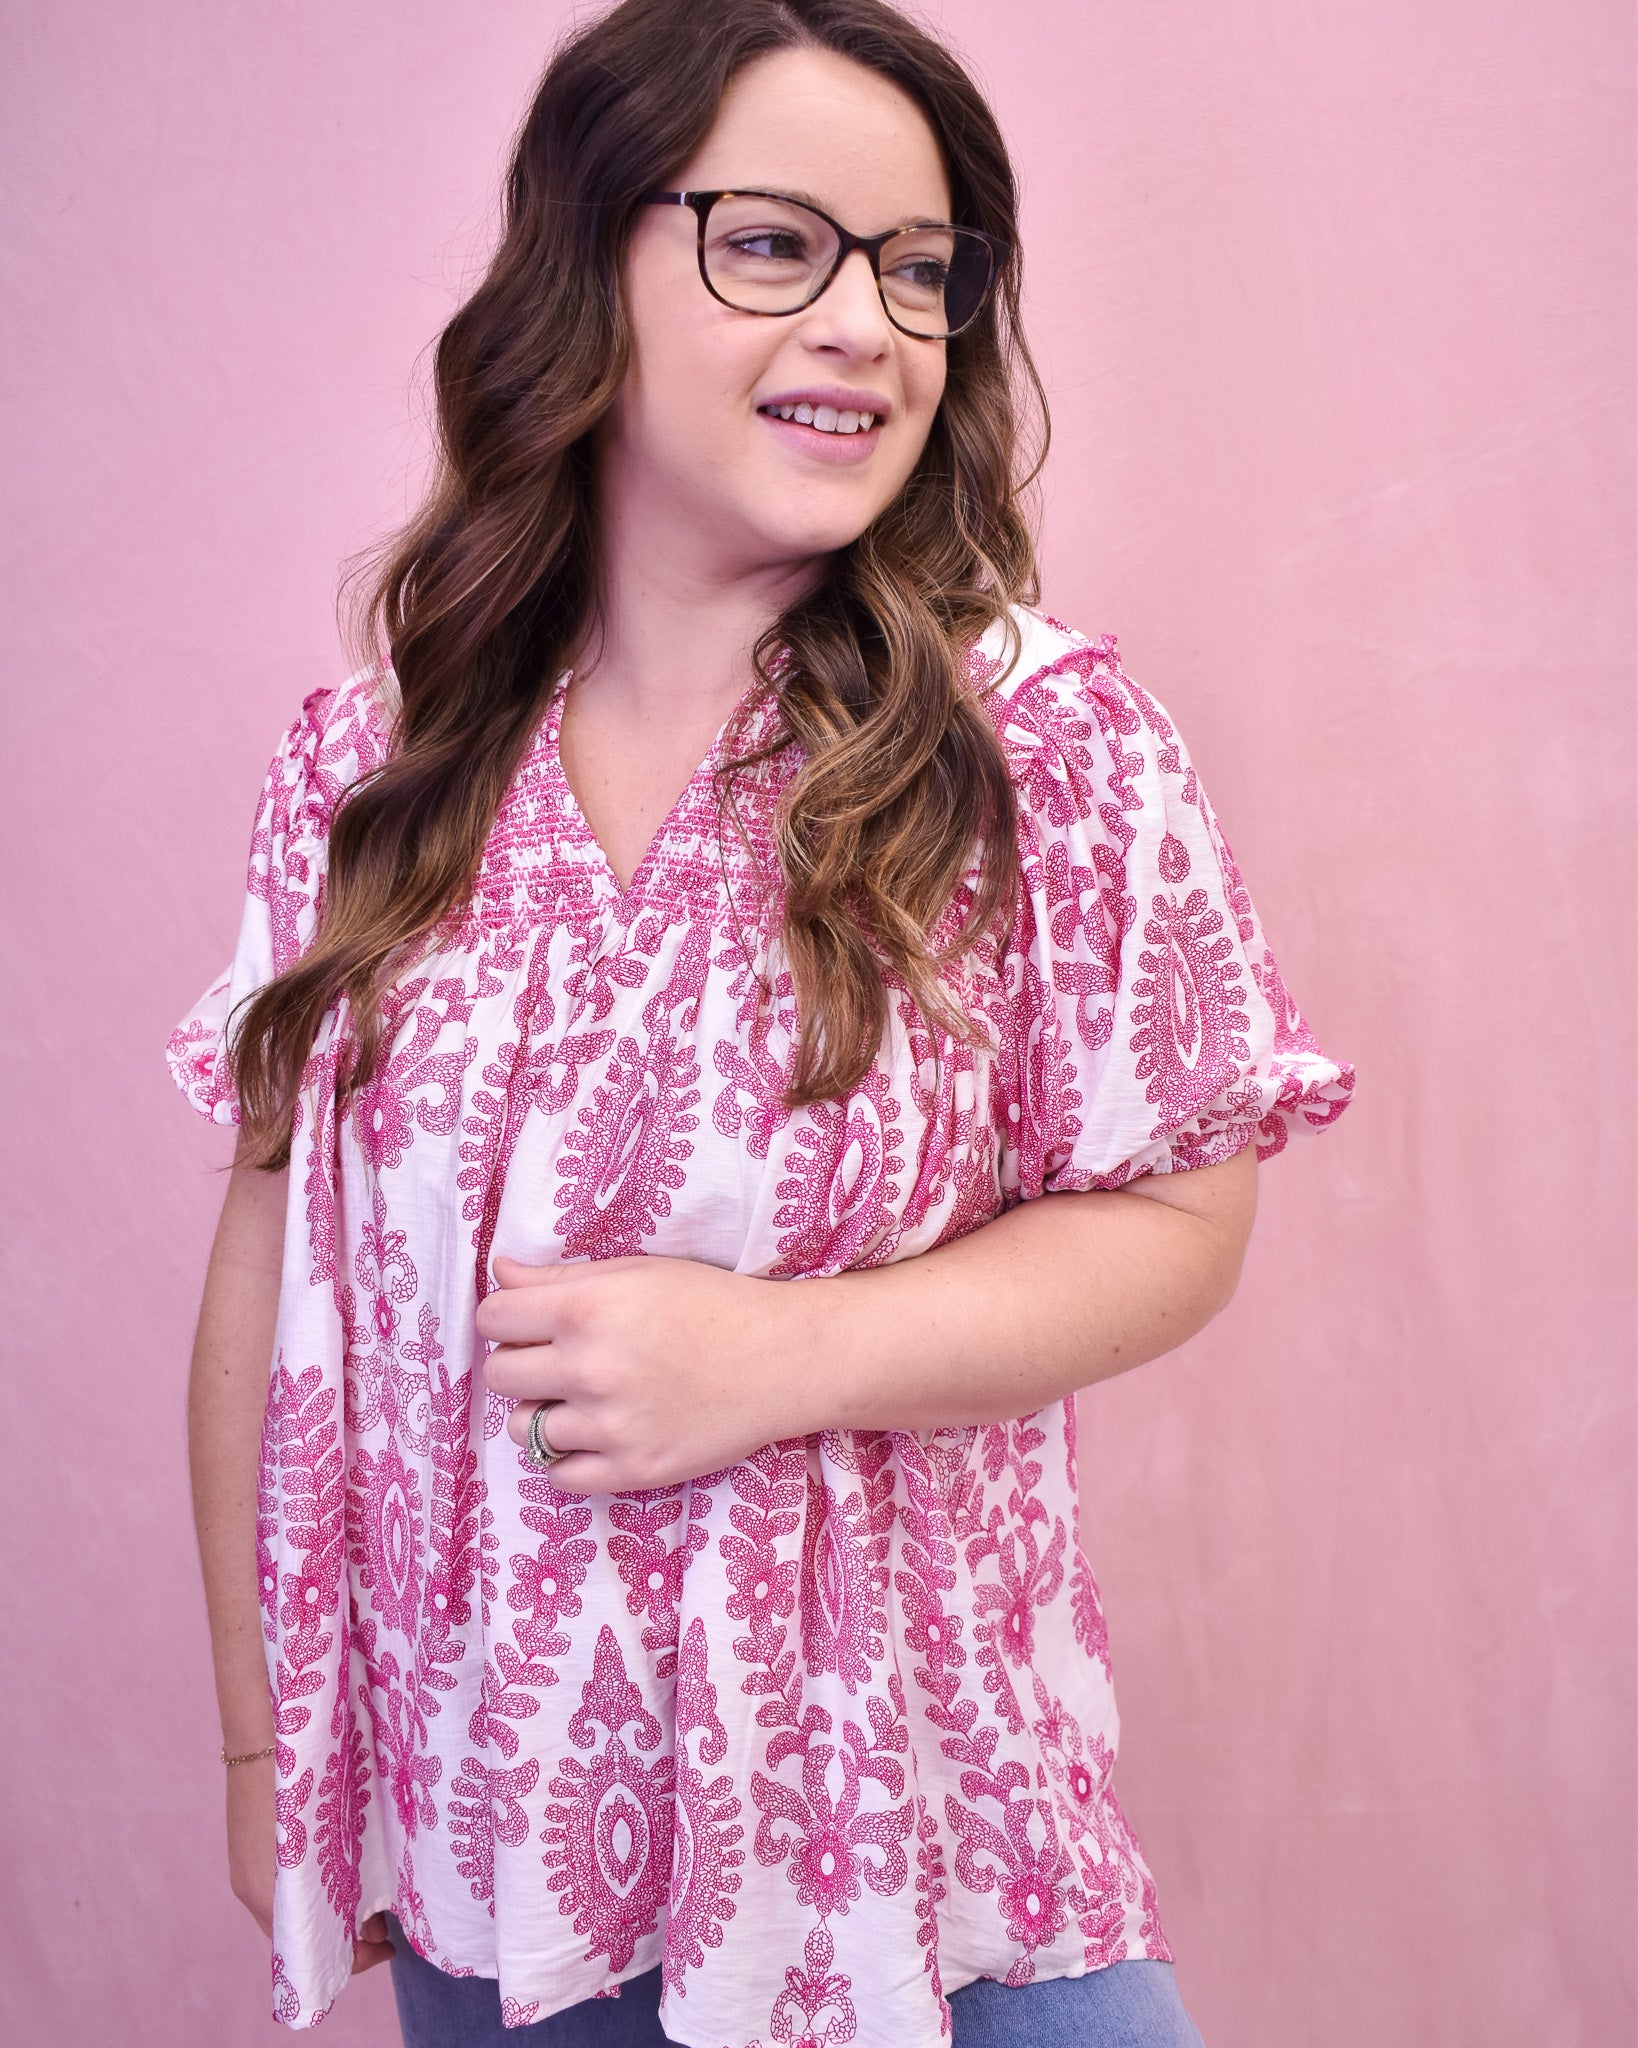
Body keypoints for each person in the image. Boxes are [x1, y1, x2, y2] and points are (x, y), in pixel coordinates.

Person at [168, 2, 1354, 2042]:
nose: (874, 328)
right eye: (774, 245)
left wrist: (781, 1356)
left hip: (930, 1872)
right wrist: (270, 1753)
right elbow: (275, 1275)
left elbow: (1187, 1214)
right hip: (501, 1874)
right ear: (586, 269)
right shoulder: (369, 765)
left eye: (920, 270)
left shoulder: (1039, 738)